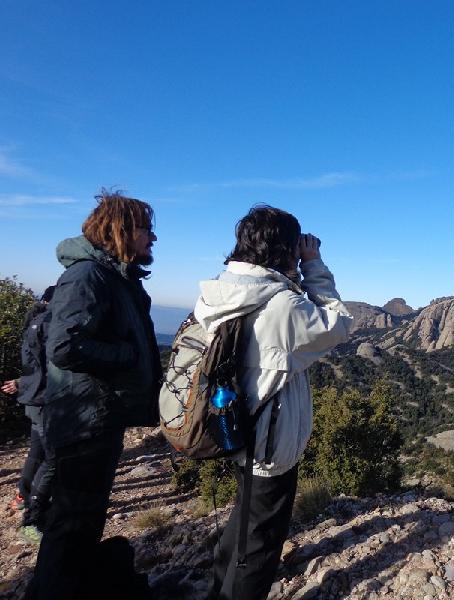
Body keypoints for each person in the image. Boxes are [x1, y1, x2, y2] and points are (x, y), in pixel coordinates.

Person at [195, 205, 352, 600]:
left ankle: (218, 590)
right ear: (286, 248)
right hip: (268, 441)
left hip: (234, 424)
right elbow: (338, 324)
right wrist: (313, 265)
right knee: (261, 542)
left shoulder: (223, 290)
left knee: (245, 521)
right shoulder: (281, 305)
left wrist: (292, 273)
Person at [25, 190, 162, 600]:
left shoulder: (110, 277)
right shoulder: (88, 276)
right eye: (146, 229)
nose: (153, 238)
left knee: (82, 524)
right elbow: (64, 346)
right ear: (122, 230)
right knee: (71, 526)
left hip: (96, 417)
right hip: (84, 421)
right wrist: (129, 355)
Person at [2, 285, 57, 544]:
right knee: (52, 458)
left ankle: (22, 496)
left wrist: (21, 382)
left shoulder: (34, 323)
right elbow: (46, 370)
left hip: (33, 398)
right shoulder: (49, 325)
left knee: (37, 452)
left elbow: (34, 367)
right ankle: (32, 519)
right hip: (43, 400)